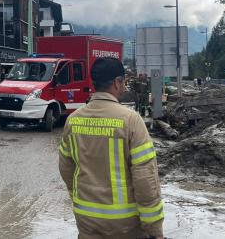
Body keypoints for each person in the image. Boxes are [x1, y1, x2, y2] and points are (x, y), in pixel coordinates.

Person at [58, 58, 164, 239]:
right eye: (123, 82)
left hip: (86, 219)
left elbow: (66, 169)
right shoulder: (131, 120)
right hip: (125, 225)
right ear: (116, 82)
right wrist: (154, 229)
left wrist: (78, 198)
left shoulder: (73, 120)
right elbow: (145, 178)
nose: (124, 87)